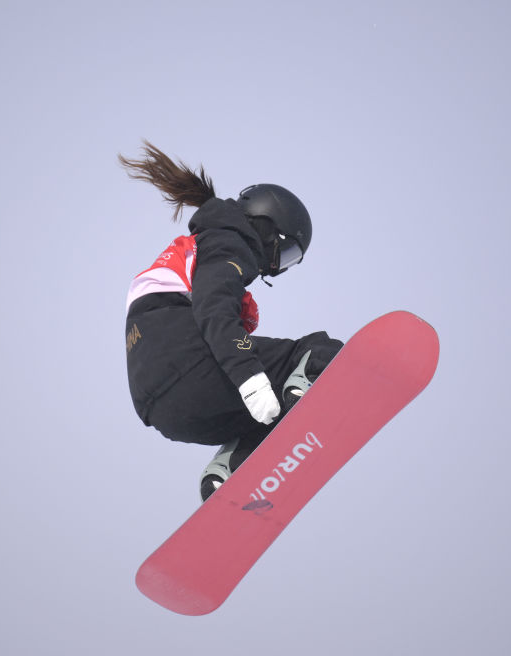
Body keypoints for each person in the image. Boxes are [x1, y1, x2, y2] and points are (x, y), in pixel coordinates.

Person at [120, 141, 344, 501]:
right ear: (269, 228)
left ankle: (229, 467)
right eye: (285, 253)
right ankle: (306, 386)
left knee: (271, 413)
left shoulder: (194, 250)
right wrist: (250, 378)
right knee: (316, 352)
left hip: (164, 411)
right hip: (188, 368)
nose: (276, 267)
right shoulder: (228, 240)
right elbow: (214, 309)